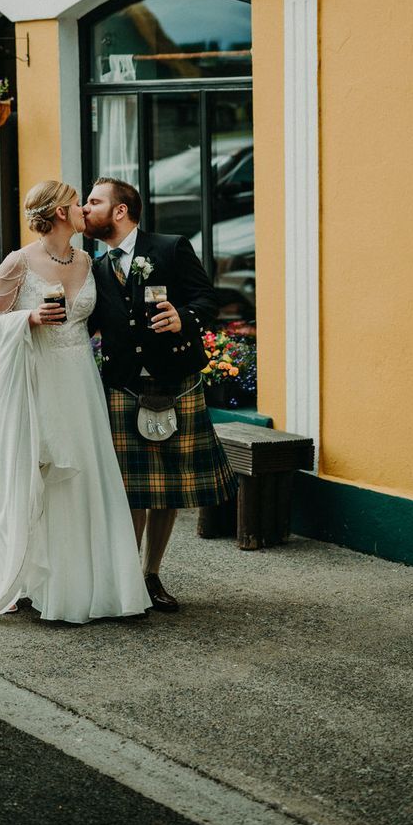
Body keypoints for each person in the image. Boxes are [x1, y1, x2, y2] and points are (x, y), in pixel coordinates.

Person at [0, 180, 150, 624]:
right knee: (43, 475)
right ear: (60, 212)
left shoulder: (87, 262)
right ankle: (44, 585)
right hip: (39, 380)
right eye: (78, 203)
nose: (84, 210)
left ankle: (97, 588)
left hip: (81, 382)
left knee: (85, 475)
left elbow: (99, 323)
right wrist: (30, 318)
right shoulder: (18, 263)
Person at [84, 177, 236, 613]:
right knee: (130, 489)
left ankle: (150, 574)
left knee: (166, 488)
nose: (86, 209)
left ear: (120, 211)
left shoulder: (170, 248)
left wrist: (183, 317)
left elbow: (207, 300)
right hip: (123, 384)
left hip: (175, 381)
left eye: (94, 202)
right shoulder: (92, 267)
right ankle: (126, 577)